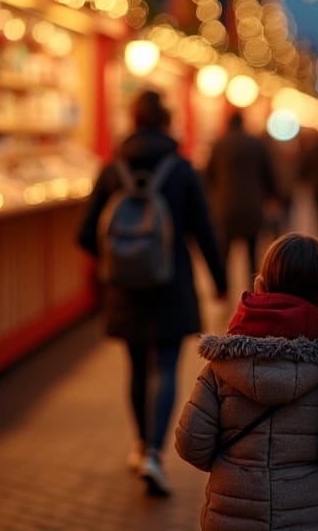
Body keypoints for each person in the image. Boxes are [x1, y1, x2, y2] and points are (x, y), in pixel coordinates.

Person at [77, 89, 228, 498]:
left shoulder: (112, 171)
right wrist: (219, 280)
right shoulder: (182, 171)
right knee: (164, 366)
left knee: (136, 367)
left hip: (124, 287)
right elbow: (204, 230)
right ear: (166, 123)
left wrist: (116, 260)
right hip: (171, 283)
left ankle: (140, 444)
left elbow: (85, 233)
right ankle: (155, 455)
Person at [175, 232, 318, 531]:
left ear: (259, 286)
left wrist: (232, 468)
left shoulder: (221, 365)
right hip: (309, 515)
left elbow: (190, 443)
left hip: (231, 513)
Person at [204, 109, 280, 285]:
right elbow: (268, 174)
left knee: (225, 253)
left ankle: (223, 289)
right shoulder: (256, 143)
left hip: (226, 207)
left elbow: (209, 175)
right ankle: (252, 291)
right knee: (252, 254)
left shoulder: (219, 144)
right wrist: (273, 196)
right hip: (252, 206)